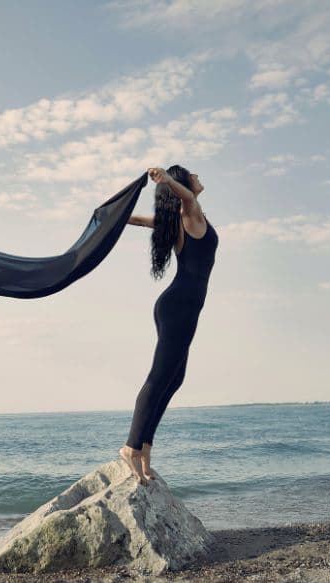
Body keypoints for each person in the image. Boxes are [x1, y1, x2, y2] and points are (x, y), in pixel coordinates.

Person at [118, 165, 218, 485]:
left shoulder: (179, 220)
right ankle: (130, 447)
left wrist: (118, 216)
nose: (198, 175)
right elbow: (186, 197)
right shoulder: (191, 211)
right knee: (160, 376)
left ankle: (145, 445)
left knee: (174, 378)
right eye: (192, 174)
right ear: (183, 183)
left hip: (181, 308)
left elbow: (139, 221)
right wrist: (166, 179)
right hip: (178, 307)